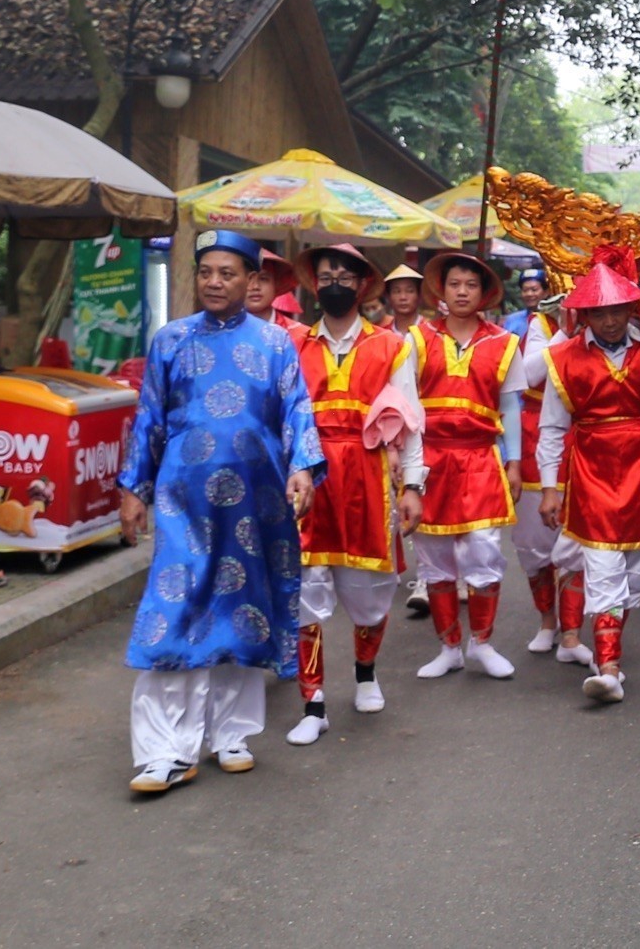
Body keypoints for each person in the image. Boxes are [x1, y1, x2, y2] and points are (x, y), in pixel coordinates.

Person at [118, 229, 322, 793]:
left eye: (226, 273)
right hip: (183, 501)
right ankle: (165, 751)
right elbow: (149, 417)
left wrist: (303, 468)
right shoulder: (170, 340)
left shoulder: (276, 343)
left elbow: (297, 411)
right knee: (174, 608)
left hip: (257, 502)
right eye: (205, 271)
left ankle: (231, 734)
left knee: (242, 610)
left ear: (251, 280)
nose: (214, 282)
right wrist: (134, 489)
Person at [533, 252, 640, 704]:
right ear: (584, 315)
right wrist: (550, 487)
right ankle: (609, 667)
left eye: (616, 310)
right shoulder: (562, 359)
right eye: (599, 312)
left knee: (638, 574)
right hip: (593, 470)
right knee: (604, 566)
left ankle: (605, 648)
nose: (609, 321)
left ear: (630, 308)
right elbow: (551, 428)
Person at [285, 244, 424, 747]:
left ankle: (366, 673)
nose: (335, 284)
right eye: (326, 276)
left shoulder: (391, 346)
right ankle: (313, 702)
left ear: (363, 285)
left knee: (370, 592)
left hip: (369, 476)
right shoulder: (293, 344)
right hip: (310, 476)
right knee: (306, 590)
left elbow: (410, 419)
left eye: (345, 276)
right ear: (313, 284)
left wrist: (413, 485)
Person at [409, 251, 524, 681]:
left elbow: (511, 407)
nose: (462, 292)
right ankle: (449, 647)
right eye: (454, 284)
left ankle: (483, 643)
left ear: (484, 293)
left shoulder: (503, 343)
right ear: (442, 289)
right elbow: (404, 405)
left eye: (470, 285)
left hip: (480, 457)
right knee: (434, 557)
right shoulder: (417, 338)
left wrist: (514, 462)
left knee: (483, 549)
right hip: (430, 459)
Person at [502, 266, 561, 651]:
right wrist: (566, 333)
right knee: (532, 541)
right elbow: (529, 374)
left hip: (587, 439)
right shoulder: (543, 323)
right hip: (536, 433)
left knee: (578, 545)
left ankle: (572, 630)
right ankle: (547, 620)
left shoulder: (615, 322)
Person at [382, 262, 431, 619]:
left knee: (422, 495)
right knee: (388, 498)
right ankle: (388, 565)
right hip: (388, 424)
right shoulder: (379, 335)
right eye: (397, 291)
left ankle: (428, 577)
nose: (403, 297)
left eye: (409, 290)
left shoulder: (431, 334)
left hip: (426, 422)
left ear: (419, 295)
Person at [247, 247, 307, 339]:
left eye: (263, 279)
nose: (255, 286)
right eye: (248, 279)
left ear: (276, 283)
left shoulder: (302, 337)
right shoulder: (223, 333)